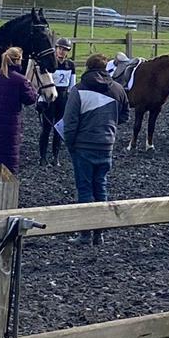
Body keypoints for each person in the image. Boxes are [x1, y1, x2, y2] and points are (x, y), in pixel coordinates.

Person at [62, 53, 129, 245]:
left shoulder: (79, 90)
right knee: (101, 186)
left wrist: (70, 143)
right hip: (107, 144)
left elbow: (70, 123)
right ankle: (99, 233)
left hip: (83, 145)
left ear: (88, 68)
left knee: (84, 188)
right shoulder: (117, 89)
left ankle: (85, 234)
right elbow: (125, 116)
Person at [0, 47, 39, 176]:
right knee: (9, 155)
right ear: (18, 60)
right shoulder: (20, 80)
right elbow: (30, 100)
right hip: (11, 124)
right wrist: (34, 90)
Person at [37, 37, 76, 167]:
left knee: (59, 129)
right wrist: (41, 99)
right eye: (59, 49)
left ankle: (55, 156)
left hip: (63, 97)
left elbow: (72, 85)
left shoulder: (70, 65)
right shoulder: (49, 64)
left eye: (64, 50)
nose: (61, 52)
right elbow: (43, 83)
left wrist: (71, 102)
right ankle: (42, 157)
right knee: (46, 128)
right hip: (50, 97)